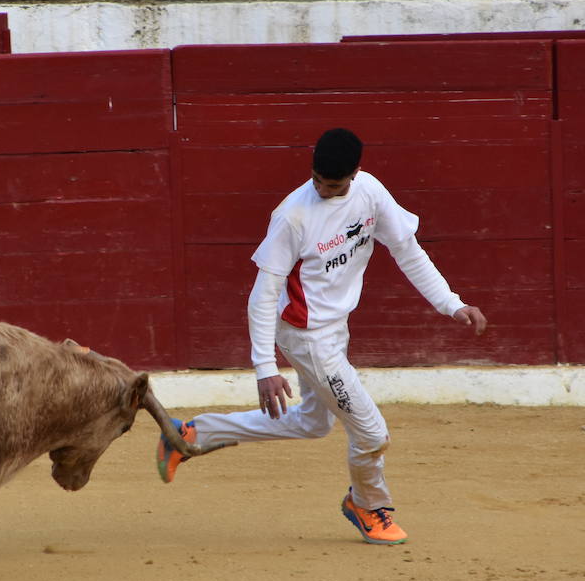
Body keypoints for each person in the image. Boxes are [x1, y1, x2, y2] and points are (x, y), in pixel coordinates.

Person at [155, 128, 487, 545]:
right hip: (306, 337)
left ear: (355, 174)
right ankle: (366, 504)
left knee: (312, 424)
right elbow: (262, 296)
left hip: (335, 328)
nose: (321, 189)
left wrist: (451, 303)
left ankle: (192, 434)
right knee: (371, 434)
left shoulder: (369, 192)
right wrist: (264, 366)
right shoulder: (292, 215)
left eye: (332, 185)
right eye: (316, 179)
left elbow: (407, 249)